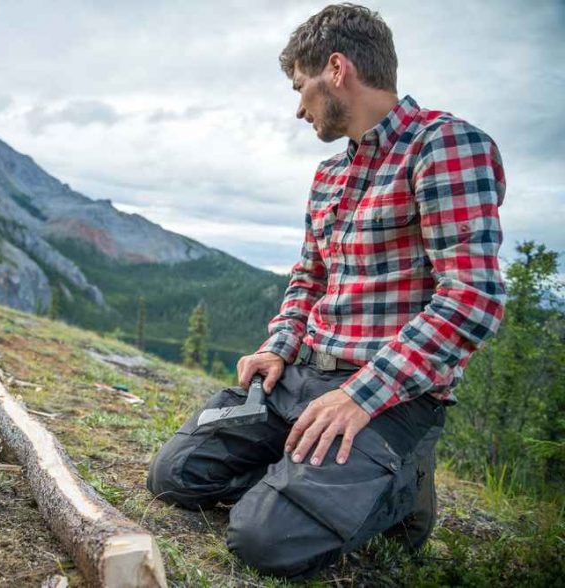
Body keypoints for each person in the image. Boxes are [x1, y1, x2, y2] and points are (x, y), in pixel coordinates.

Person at [146, 3, 506, 579]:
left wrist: (359, 396)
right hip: (302, 376)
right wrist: (278, 346)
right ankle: (305, 475)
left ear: (337, 69)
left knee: (263, 540)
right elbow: (309, 277)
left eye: (300, 86)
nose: (297, 108)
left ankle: (399, 489)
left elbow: (472, 298)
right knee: (175, 476)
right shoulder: (329, 175)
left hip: (387, 397)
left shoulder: (445, 145)